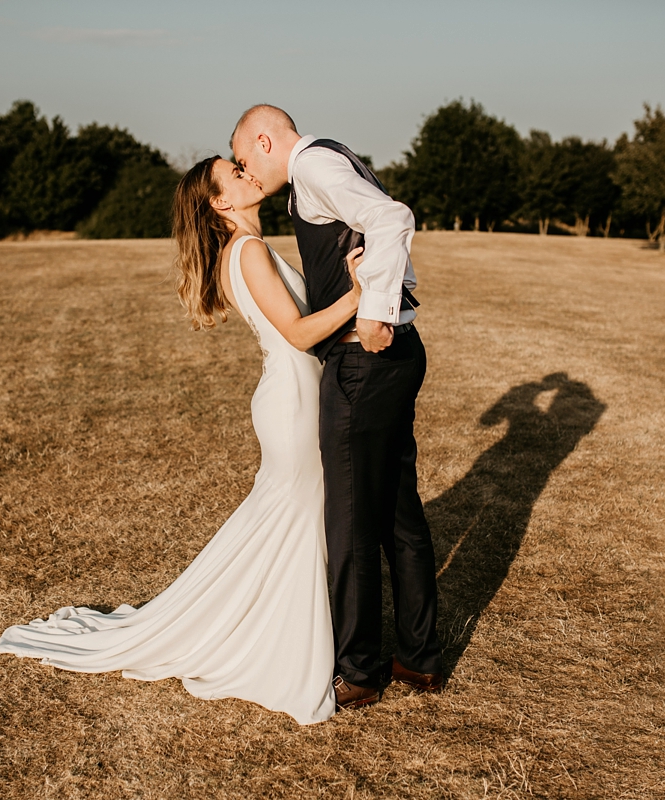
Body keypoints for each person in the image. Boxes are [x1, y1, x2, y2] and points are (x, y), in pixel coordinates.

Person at [0, 155, 362, 725]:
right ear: (220, 203)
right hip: (292, 402)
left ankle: (279, 626)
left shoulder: (242, 250)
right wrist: (359, 296)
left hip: (292, 395)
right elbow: (297, 332)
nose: (247, 173)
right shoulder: (249, 252)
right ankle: (279, 641)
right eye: (234, 174)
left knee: (288, 521)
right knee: (295, 519)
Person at [231, 105, 444, 709]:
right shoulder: (335, 156)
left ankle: (358, 671)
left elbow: (390, 217)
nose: (249, 175)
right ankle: (419, 658)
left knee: (349, 522)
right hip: (399, 355)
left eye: (246, 161)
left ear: (265, 141)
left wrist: (374, 308)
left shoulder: (316, 166)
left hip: (364, 360)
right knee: (398, 511)